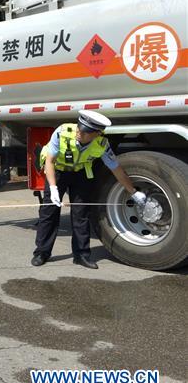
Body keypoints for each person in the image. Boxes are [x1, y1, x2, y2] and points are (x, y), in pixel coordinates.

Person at [32, 110, 151, 269]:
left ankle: (81, 255)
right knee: (49, 212)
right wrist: (53, 188)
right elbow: (50, 161)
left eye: (85, 132)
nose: (79, 133)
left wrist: (133, 192)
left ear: (97, 133)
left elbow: (116, 169)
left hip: (80, 173)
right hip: (58, 171)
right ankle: (42, 252)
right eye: (79, 128)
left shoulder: (102, 144)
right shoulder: (62, 132)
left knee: (81, 214)